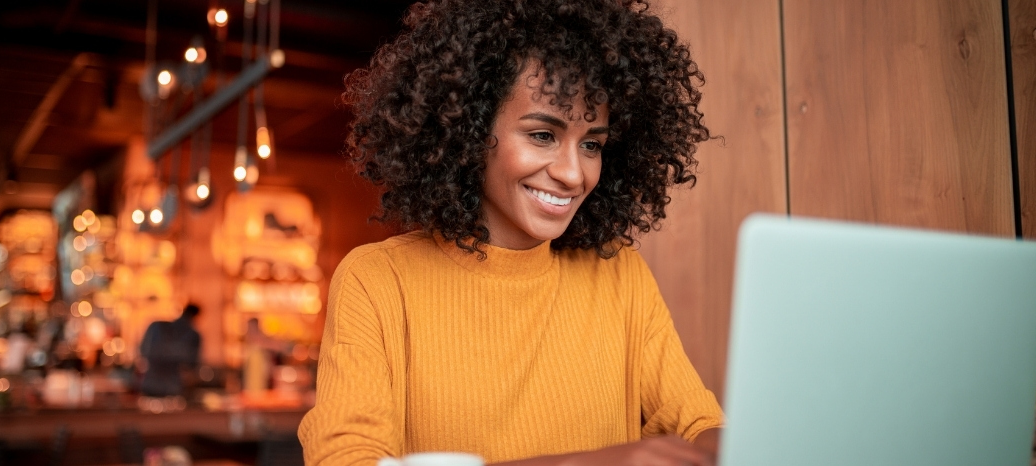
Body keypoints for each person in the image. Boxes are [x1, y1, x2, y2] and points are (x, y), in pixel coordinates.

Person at [298, 0, 722, 464]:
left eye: (592, 145)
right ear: (470, 129)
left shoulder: (620, 274)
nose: (573, 174)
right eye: (543, 135)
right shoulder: (377, 281)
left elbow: (699, 426)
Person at [139, 303, 201, 398]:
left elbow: (142, 350)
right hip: (171, 388)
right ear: (195, 316)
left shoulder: (156, 327)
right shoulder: (192, 335)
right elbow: (192, 365)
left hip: (152, 385)